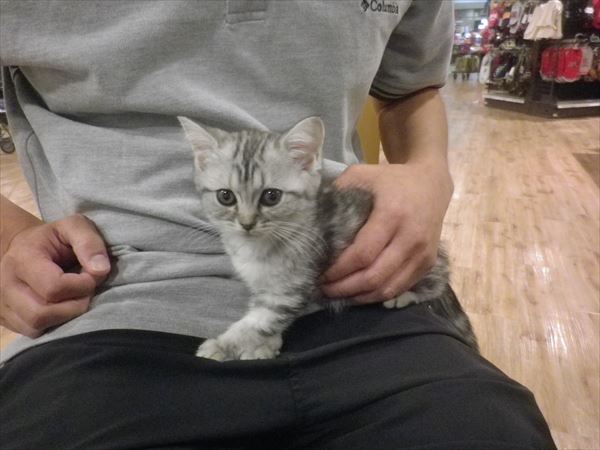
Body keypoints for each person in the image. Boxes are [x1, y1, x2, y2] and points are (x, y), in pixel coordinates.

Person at [0, 1, 555, 449]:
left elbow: (411, 86)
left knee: (496, 428)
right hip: (111, 302)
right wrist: (9, 236)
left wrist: (429, 175)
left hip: (350, 287)